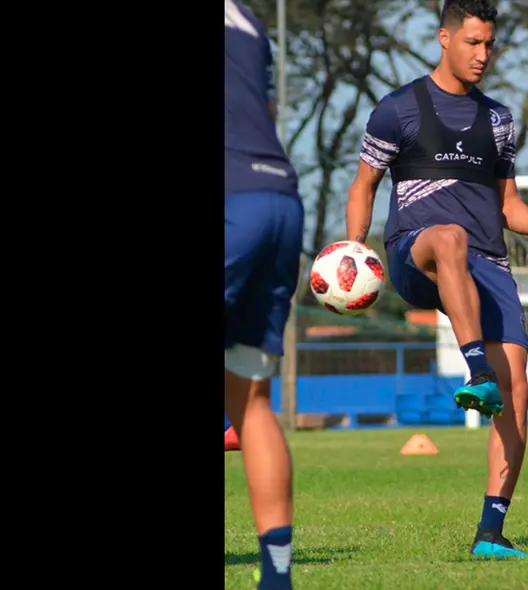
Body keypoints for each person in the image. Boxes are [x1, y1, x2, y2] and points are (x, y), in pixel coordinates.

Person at [345, 0, 528, 560]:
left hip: (488, 263)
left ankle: (491, 534)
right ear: (444, 38)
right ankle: (476, 370)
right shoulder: (398, 109)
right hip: (418, 254)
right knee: (448, 235)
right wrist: (355, 252)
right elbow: (363, 185)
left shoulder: (498, 119)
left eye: (490, 45)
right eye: (472, 42)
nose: (483, 55)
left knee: (518, 390)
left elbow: (509, 206)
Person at [225, 0, 302, 587]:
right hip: (280, 201)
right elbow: (265, 109)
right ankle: (276, 577)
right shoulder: (248, 19)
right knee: (251, 403)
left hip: (230, 200)